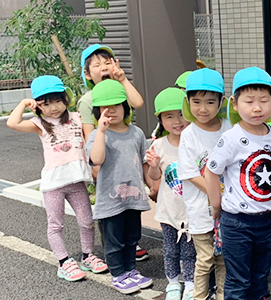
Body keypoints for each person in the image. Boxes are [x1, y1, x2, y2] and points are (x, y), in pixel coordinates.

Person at [6, 75, 108, 281]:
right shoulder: (39, 124)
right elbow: (12, 123)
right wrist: (23, 103)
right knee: (55, 225)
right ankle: (63, 262)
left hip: (77, 182)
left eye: (57, 100)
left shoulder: (77, 117)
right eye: (46, 103)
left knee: (86, 220)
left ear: (65, 99)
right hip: (54, 185)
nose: (53, 107)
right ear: (38, 106)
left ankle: (88, 255)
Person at [205, 66, 271, 300]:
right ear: (235, 104)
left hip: (265, 220)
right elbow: (211, 172)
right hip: (236, 222)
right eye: (249, 101)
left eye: (263, 100)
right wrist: (216, 206)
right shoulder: (231, 138)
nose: (257, 107)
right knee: (238, 280)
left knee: (260, 277)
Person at [78, 43, 149, 261]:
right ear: (88, 74)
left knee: (128, 209)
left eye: (107, 62)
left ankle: (130, 248)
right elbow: (88, 134)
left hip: (126, 148)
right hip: (105, 155)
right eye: (96, 65)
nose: (103, 67)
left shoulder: (119, 89)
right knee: (110, 211)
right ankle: (114, 256)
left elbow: (137, 102)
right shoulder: (88, 100)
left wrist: (122, 79)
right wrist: (97, 167)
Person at [86, 79, 153, 294]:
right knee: (114, 240)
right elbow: (96, 160)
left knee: (132, 236)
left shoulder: (137, 133)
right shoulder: (98, 135)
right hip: (110, 199)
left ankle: (130, 270)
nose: (110, 111)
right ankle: (117, 274)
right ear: (97, 111)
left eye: (116, 106)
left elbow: (143, 161)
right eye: (104, 108)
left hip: (133, 198)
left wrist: (152, 186)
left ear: (126, 106)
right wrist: (102, 132)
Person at [178, 68, 231, 300]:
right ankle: (199, 296)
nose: (202, 108)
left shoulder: (229, 128)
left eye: (210, 102)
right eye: (196, 101)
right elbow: (190, 172)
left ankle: (222, 295)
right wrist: (215, 192)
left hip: (227, 208)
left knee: (223, 258)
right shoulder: (189, 134)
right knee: (206, 257)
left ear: (222, 101)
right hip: (201, 209)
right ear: (187, 102)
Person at [145, 87, 197, 300]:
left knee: (191, 252)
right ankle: (173, 284)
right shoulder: (158, 145)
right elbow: (155, 177)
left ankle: (191, 285)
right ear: (160, 120)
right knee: (170, 251)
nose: (177, 120)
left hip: (193, 211)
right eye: (169, 116)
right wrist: (154, 165)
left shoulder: (195, 142)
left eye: (181, 114)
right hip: (168, 212)